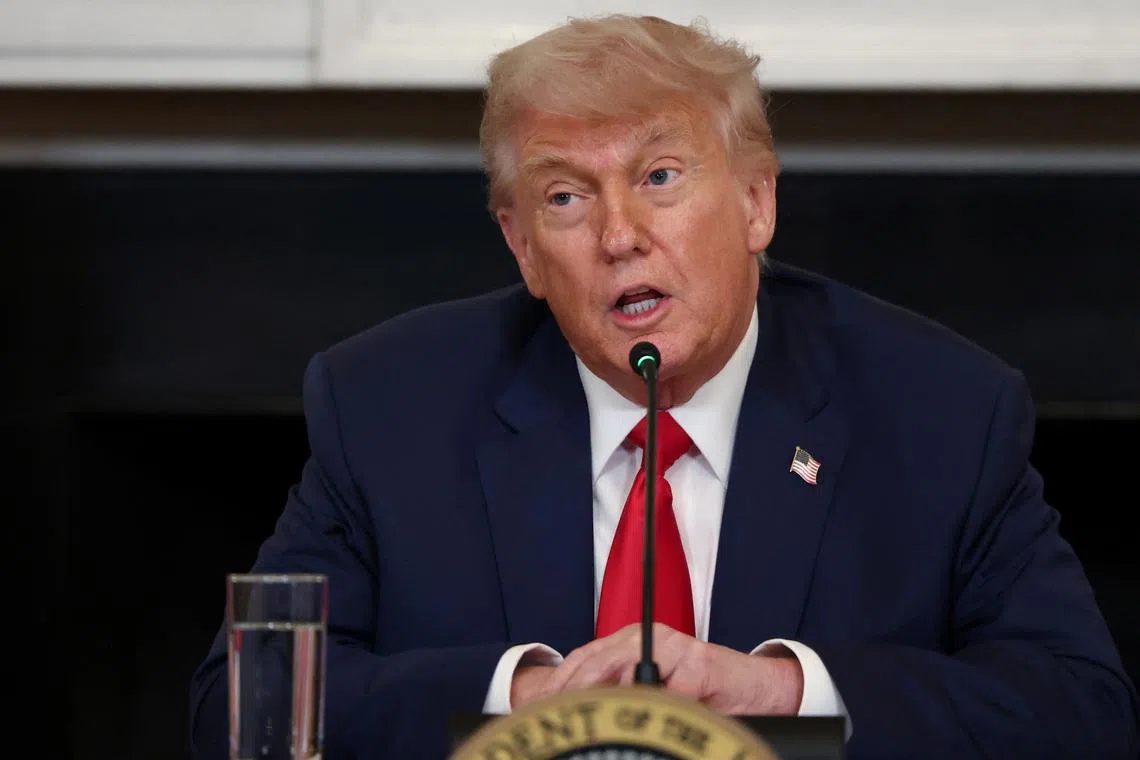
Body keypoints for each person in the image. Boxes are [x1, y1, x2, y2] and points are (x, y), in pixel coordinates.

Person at [188, 14, 1138, 759]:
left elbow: (1081, 713)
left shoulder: (941, 412)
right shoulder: (388, 405)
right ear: (522, 245)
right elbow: (243, 703)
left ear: (757, 202)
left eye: (660, 175)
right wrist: (524, 704)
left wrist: (775, 695)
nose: (618, 234)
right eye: (566, 196)